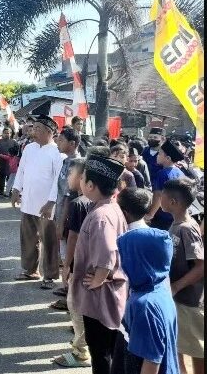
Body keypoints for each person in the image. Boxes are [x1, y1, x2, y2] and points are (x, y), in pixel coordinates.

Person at [71, 154, 128, 374]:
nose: (80, 181)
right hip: (109, 294)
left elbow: (106, 255)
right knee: (108, 351)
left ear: (91, 185)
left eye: (83, 177)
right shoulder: (109, 207)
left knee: (101, 353)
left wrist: (97, 280)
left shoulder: (101, 216)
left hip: (100, 298)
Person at [116, 226, 180, 374]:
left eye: (125, 255)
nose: (122, 261)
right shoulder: (161, 286)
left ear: (138, 260)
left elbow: (151, 364)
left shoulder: (145, 306)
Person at [11, 114, 64, 289]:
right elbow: (21, 171)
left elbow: (58, 180)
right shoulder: (29, 148)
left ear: (49, 132)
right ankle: (30, 270)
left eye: (38, 129)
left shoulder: (57, 153)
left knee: (49, 241)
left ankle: (49, 276)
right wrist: (16, 189)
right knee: (28, 238)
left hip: (46, 206)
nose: (34, 131)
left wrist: (51, 203)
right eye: (34, 128)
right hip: (28, 202)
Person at [161, 179, 204, 374]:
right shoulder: (177, 224)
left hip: (189, 301)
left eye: (162, 195)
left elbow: (201, 266)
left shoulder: (186, 228)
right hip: (179, 300)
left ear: (173, 202)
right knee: (177, 348)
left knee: (197, 351)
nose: (158, 198)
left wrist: (176, 286)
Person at [52, 158, 92, 368]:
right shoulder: (100, 202)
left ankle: (80, 352)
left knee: (76, 306)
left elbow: (73, 237)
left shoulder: (79, 204)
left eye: (72, 174)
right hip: (92, 265)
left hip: (79, 263)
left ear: (84, 179)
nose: (68, 177)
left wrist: (66, 265)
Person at [43, 126, 81, 294]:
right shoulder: (65, 161)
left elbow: (67, 194)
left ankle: (70, 289)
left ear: (72, 143)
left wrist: (60, 223)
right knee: (65, 250)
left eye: (61, 140)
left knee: (70, 252)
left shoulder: (77, 164)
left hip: (70, 215)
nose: (58, 142)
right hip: (61, 212)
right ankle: (67, 286)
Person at [144, 140, 186, 230]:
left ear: (168, 158)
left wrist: (150, 215)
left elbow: (158, 196)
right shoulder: (180, 173)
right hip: (174, 215)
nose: (157, 156)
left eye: (159, 154)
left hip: (162, 216)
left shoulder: (162, 174)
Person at [0, 127, 19, 196]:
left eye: (8, 133)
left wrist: (15, 157)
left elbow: (18, 150)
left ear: (11, 134)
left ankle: (9, 190)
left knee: (10, 177)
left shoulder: (14, 142)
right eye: (5, 133)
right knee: (1, 176)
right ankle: (1, 189)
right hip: (1, 161)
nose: (7, 134)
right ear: (2, 134)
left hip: (11, 164)